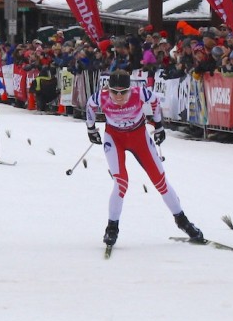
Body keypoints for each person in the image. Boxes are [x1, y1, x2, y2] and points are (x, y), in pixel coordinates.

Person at [85, 68, 203, 248]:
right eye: (114, 92)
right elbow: (90, 106)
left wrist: (158, 125)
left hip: (139, 138)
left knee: (160, 181)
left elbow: (155, 101)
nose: (118, 96)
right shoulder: (100, 97)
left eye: (123, 92)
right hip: (114, 139)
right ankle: (112, 227)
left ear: (129, 89)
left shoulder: (140, 93)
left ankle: (183, 221)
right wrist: (91, 128)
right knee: (121, 183)